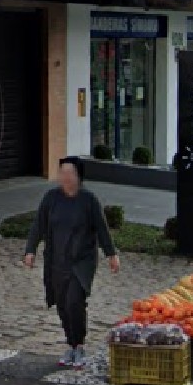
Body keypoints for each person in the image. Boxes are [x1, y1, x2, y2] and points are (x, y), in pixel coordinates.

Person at [23, 156, 121, 368]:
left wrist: (111, 254)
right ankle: (71, 343)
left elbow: (102, 229)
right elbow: (38, 226)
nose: (65, 177)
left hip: (81, 261)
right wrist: (30, 250)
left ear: (78, 176)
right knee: (62, 305)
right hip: (56, 260)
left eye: (70, 173)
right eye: (62, 173)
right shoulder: (51, 198)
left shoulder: (88, 200)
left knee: (74, 301)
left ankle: (80, 346)